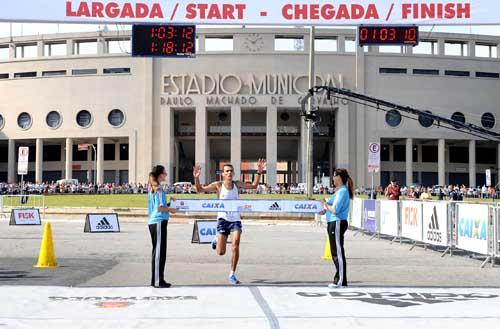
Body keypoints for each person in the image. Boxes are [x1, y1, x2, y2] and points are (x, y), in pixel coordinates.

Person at [193, 160, 266, 284]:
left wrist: (259, 172)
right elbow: (200, 189)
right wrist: (196, 178)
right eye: (227, 171)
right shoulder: (218, 185)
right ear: (223, 174)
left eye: (231, 171)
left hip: (235, 220)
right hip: (222, 220)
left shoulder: (237, 184)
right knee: (221, 252)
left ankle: (232, 274)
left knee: (235, 245)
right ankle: (216, 239)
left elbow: (253, 186)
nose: (229, 173)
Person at [321, 168, 354, 288]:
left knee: (338, 252)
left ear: (338, 178)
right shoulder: (338, 191)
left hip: (337, 222)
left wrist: (325, 204)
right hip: (333, 222)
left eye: (334, 176)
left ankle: (340, 280)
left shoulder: (342, 192)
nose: (332, 179)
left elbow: (335, 210)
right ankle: (339, 279)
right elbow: (329, 208)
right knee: (335, 251)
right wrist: (323, 208)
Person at [148, 165, 177, 288]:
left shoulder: (156, 189)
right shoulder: (158, 189)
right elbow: (160, 208)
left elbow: (160, 206)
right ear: (160, 175)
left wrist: (170, 204)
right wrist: (170, 209)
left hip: (157, 222)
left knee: (160, 251)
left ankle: (159, 279)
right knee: (159, 252)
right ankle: (157, 281)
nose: (166, 174)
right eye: (164, 173)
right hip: (158, 221)